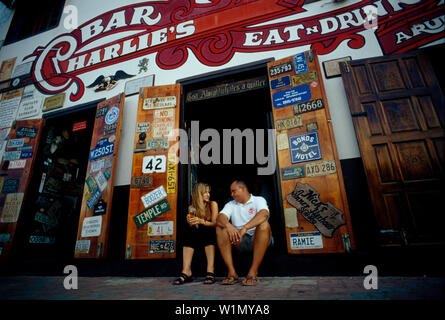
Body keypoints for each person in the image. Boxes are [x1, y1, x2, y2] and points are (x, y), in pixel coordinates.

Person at [216, 180, 272, 286]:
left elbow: (264, 214)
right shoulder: (231, 204)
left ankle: (253, 272)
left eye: (234, 191)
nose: (231, 194)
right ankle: (232, 272)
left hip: (259, 239)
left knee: (264, 224)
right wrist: (229, 226)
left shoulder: (258, 200)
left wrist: (245, 228)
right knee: (221, 227)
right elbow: (220, 218)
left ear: (243, 189)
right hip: (238, 241)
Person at [173, 182, 218, 285]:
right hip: (197, 237)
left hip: (210, 234)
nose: (208, 195)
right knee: (189, 231)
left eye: (208, 192)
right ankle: (186, 271)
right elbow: (195, 224)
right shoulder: (192, 207)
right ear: (198, 194)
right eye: (205, 193)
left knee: (207, 231)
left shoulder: (212, 204)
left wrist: (201, 221)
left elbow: (215, 224)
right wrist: (191, 220)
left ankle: (210, 270)